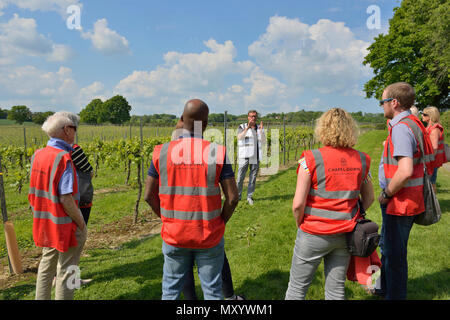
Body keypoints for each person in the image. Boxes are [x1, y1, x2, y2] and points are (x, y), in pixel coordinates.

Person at [144, 99, 239, 300]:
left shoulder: (161, 152)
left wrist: (167, 219)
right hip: (209, 235)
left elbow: (148, 196)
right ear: (204, 125)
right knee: (212, 292)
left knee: (169, 291)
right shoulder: (217, 152)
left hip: (174, 235)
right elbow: (232, 198)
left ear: (180, 120)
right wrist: (221, 221)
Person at [285, 108, 374, 300]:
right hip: (345, 233)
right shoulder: (362, 160)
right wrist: (352, 214)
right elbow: (369, 198)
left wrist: (300, 224)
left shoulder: (310, 159)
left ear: (323, 128)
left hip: (313, 233)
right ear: (351, 129)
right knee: (335, 290)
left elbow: (298, 204)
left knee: (297, 289)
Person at [377, 82, 434, 300]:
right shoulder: (413, 123)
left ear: (394, 102)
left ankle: (394, 295)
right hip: (410, 199)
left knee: (395, 256)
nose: (381, 106)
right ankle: (382, 289)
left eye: (383, 101)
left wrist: (386, 194)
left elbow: (405, 170)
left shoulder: (401, 128)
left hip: (399, 202)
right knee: (390, 251)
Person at [29, 111, 87, 300]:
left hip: (44, 222)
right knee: (68, 270)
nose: (75, 133)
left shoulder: (38, 155)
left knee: (46, 267)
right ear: (67, 130)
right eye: (74, 128)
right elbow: (66, 199)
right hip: (65, 225)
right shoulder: (63, 158)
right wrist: (81, 223)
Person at [236, 110, 265, 205]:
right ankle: (238, 196)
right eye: (251, 116)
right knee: (240, 177)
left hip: (255, 156)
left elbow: (264, 141)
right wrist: (247, 128)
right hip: (244, 156)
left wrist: (261, 131)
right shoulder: (242, 126)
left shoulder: (259, 128)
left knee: (252, 178)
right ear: (248, 117)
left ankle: (249, 197)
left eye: (255, 116)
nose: (253, 118)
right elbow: (239, 137)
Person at [421, 106, 446, 193]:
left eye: (424, 114)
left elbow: (434, 149)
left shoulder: (434, 130)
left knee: (431, 184)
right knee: (430, 183)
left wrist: (427, 161)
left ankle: (432, 204)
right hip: (432, 161)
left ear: (430, 116)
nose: (422, 116)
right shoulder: (430, 128)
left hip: (432, 162)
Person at [71, 144, 94, 225]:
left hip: (57, 202)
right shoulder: (73, 149)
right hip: (79, 199)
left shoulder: (50, 151)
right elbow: (89, 171)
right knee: (80, 230)